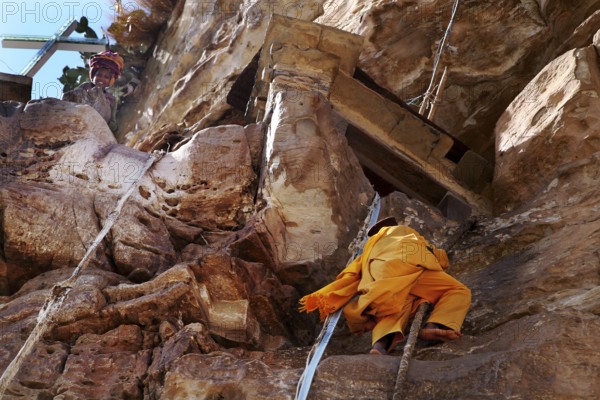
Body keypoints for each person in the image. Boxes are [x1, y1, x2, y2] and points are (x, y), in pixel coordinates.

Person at [299, 216, 471, 355]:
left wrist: (329, 297)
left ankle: (380, 346)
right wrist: (439, 256)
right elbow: (434, 256)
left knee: (397, 305)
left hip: (379, 286)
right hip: (405, 268)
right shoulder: (405, 232)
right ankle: (436, 325)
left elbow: (349, 276)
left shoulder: (369, 250)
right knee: (457, 290)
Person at [62, 50, 125, 133]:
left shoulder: (111, 99)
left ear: (111, 80)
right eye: (99, 75)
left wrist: (112, 127)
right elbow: (70, 100)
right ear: (93, 75)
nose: (101, 78)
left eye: (106, 77)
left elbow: (112, 121)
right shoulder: (85, 86)